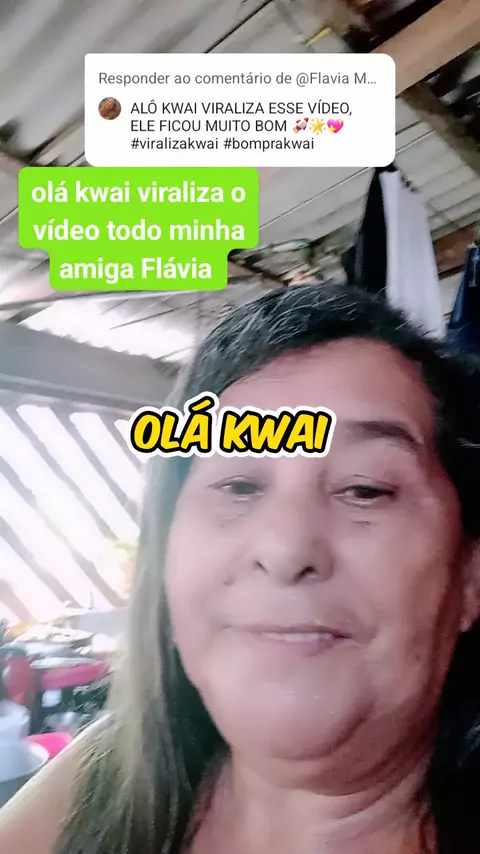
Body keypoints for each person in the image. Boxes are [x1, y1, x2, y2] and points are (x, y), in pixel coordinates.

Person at [1, 282, 480, 854]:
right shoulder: (99, 778)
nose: (285, 547)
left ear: (470, 574)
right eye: (238, 485)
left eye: (365, 489)